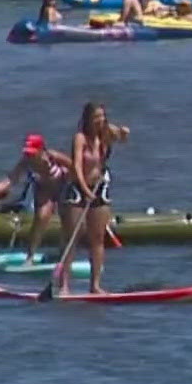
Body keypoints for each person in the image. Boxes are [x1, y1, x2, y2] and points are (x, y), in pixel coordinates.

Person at [53, 102, 129, 295]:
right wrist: (85, 189)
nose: (100, 120)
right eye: (96, 117)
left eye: (102, 116)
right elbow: (77, 165)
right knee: (73, 237)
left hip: (99, 187)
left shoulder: (105, 134)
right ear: (87, 119)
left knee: (97, 238)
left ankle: (95, 285)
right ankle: (64, 286)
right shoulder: (80, 138)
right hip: (78, 188)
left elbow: (122, 137)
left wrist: (124, 133)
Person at [0, 133, 73, 263]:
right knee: (41, 218)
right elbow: (9, 180)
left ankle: (63, 255)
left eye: (32, 152)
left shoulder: (53, 156)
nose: (29, 155)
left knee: (67, 219)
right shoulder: (26, 162)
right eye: (27, 152)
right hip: (44, 189)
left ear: (41, 150)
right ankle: (30, 257)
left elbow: (75, 167)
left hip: (63, 185)